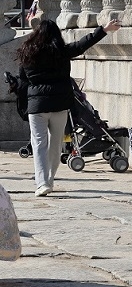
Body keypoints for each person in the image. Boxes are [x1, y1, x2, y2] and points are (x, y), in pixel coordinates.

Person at [15, 19, 121, 197]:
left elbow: (23, 83)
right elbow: (83, 44)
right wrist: (103, 29)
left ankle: (42, 183)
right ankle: (49, 179)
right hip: (59, 105)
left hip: (37, 107)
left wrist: (24, 107)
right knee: (56, 145)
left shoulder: (27, 54)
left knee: (39, 144)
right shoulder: (62, 52)